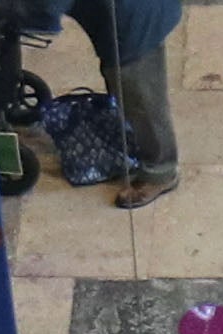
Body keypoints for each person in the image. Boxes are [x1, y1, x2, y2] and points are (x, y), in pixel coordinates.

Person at [73, 0, 181, 206]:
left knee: (138, 94)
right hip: (136, 12)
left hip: (132, 21)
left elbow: (45, 9)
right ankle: (135, 139)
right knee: (131, 89)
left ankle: (160, 172)